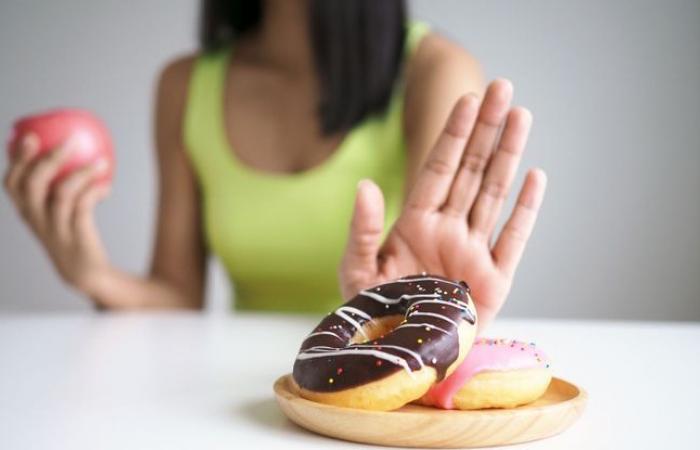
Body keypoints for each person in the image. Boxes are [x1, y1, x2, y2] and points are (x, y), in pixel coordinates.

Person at [3, 0, 546, 330]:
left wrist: (430, 306)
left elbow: (439, 285)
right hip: (236, 400)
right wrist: (90, 273)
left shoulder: (435, 73)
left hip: (385, 392)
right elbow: (177, 299)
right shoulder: (185, 85)